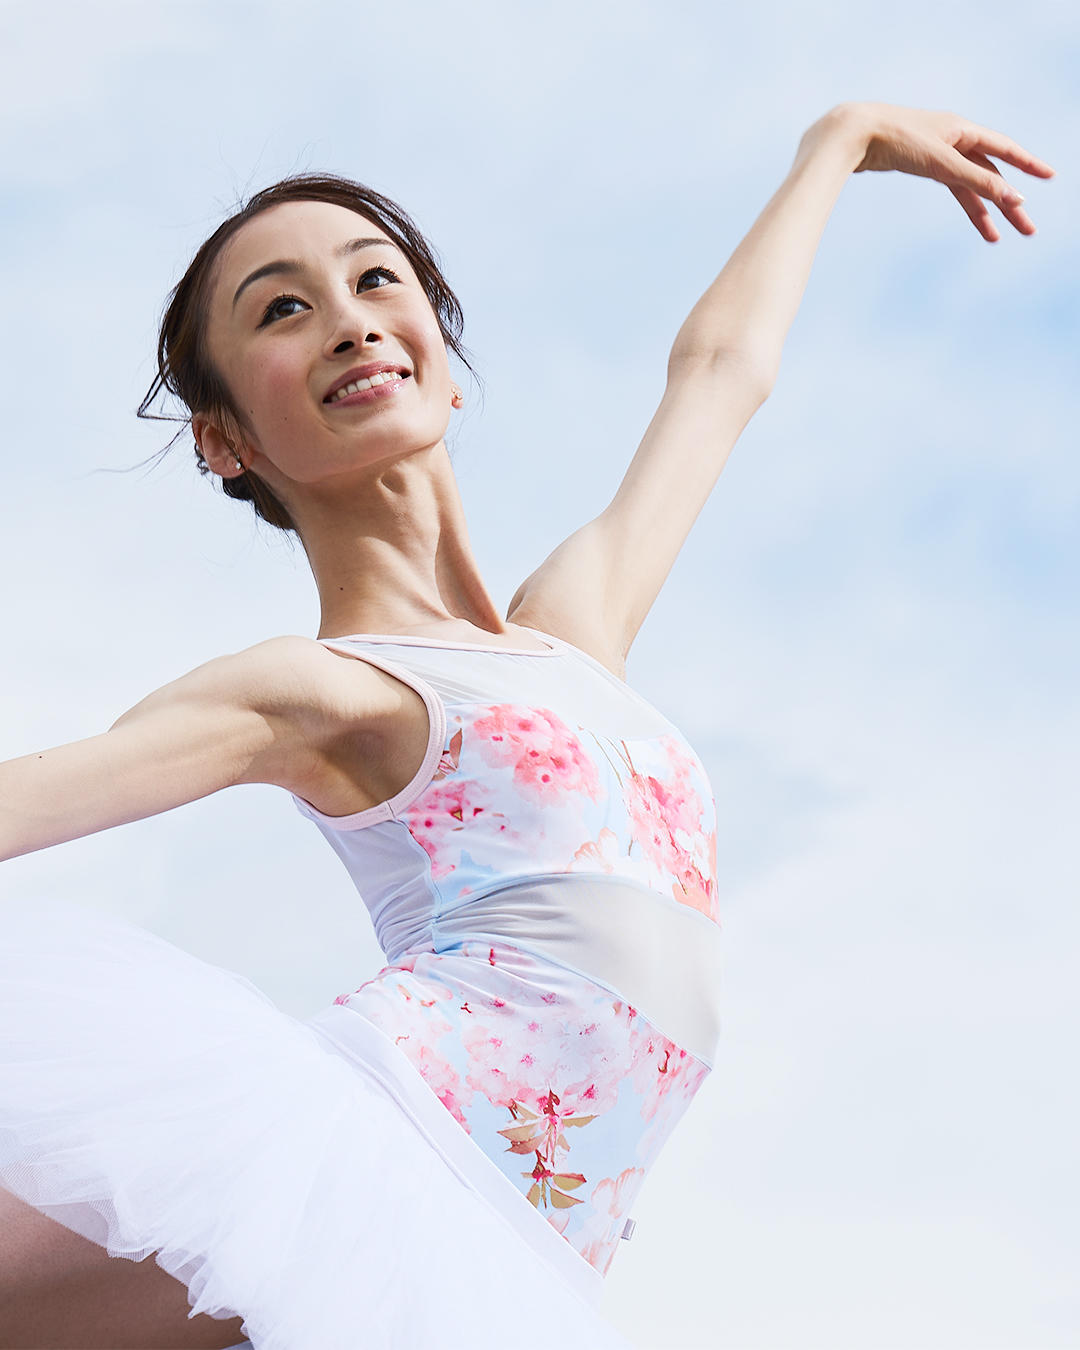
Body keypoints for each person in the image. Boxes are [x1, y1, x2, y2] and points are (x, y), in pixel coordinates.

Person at [0, 102, 1053, 1350]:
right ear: (223, 440)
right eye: (281, 309)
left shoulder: (576, 631)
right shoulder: (317, 691)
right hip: (378, 1143)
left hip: (522, 1253)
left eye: (374, 279)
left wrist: (839, 143)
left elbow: (721, 376)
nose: (346, 318)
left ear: (439, 351)